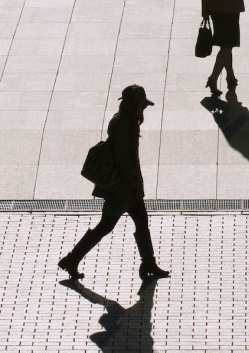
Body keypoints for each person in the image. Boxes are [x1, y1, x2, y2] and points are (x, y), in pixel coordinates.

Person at [59, 85, 169, 281]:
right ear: (130, 106)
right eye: (141, 106)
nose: (143, 110)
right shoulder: (123, 125)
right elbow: (122, 158)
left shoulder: (127, 122)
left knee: (141, 222)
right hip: (123, 189)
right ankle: (72, 259)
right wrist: (131, 181)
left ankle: (149, 263)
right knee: (106, 225)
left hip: (129, 187)